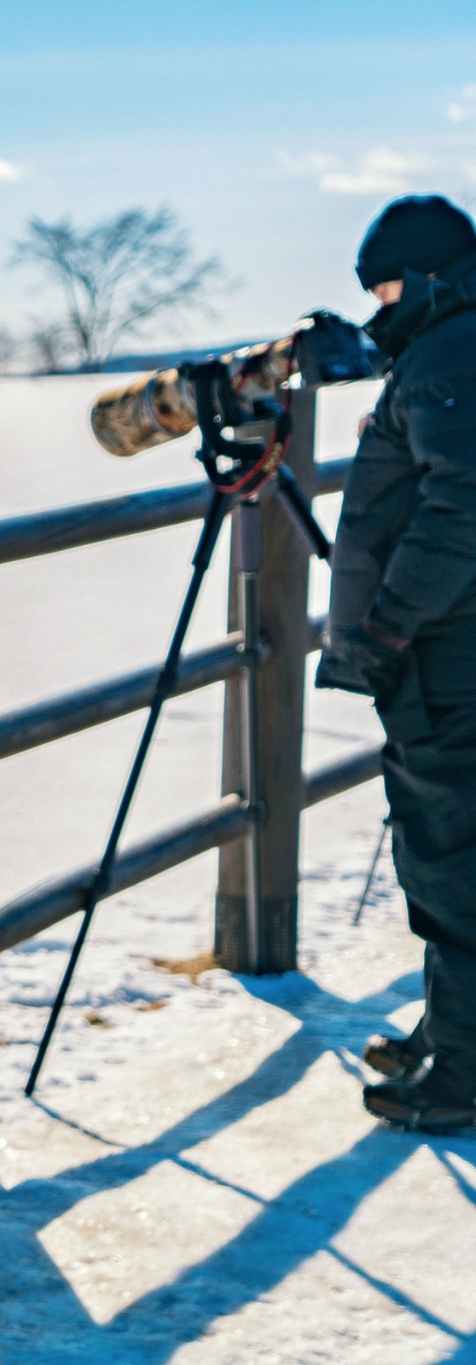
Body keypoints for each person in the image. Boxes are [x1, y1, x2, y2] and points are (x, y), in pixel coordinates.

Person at [319, 194, 476, 1134]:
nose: (378, 303)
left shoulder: (453, 352)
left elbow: (463, 506)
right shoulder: (446, 346)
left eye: (384, 282)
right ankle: (451, 1030)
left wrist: (387, 626)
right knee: (445, 848)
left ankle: (460, 1070)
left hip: (448, 654)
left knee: (449, 859)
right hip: (449, 646)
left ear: (425, 277)